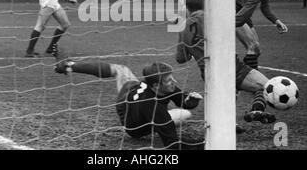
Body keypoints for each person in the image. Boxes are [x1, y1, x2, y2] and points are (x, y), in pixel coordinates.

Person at [176, 0, 277, 127]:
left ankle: (230, 124)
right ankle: (257, 109)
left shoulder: (182, 26)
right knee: (267, 86)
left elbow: (181, 58)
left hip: (207, 71)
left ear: (187, 7)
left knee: (226, 97)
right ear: (205, 4)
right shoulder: (211, 17)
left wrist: (193, 49)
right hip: (230, 65)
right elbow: (237, 23)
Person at [54, 60, 204, 150]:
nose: (174, 82)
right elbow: (172, 144)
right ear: (156, 86)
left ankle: (70, 65)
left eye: (172, 78)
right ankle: (158, 122)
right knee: (184, 115)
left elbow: (182, 99)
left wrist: (190, 101)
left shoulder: (158, 84)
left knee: (121, 70)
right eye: (170, 80)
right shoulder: (153, 107)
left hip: (131, 90)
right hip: (131, 122)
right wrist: (203, 144)